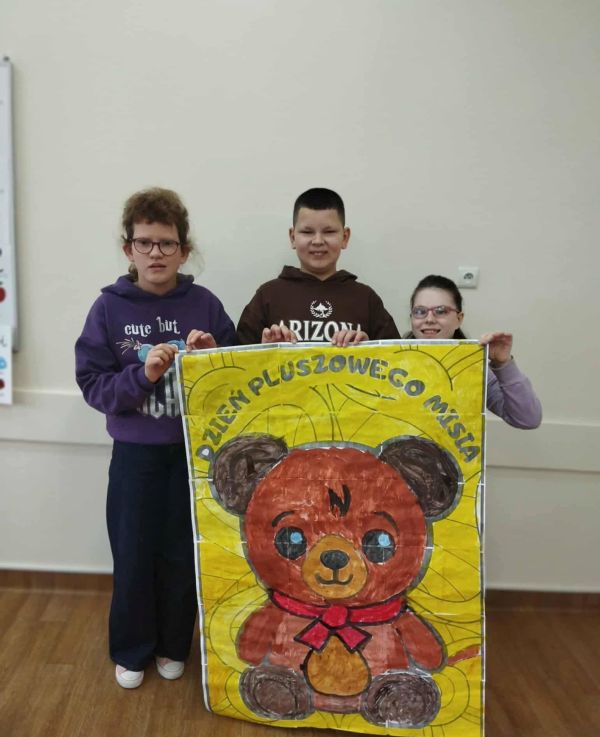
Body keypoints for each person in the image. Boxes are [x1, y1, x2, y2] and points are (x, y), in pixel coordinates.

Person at [75, 187, 237, 689]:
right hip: (135, 457)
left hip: (191, 455)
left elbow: (236, 378)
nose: (156, 253)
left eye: (167, 243)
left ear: (184, 251)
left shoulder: (205, 304)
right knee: (133, 553)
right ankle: (131, 649)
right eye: (144, 243)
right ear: (129, 249)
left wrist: (210, 356)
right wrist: (142, 375)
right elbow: (93, 385)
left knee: (181, 553)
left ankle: (173, 645)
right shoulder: (108, 308)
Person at [237, 187, 400, 347]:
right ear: (292, 237)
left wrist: (370, 349)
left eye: (329, 232)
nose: (318, 241)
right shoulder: (268, 296)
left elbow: (400, 358)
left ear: (345, 237)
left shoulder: (366, 299)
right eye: (307, 232)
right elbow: (235, 358)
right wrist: (265, 350)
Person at [407, 274, 542, 429]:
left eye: (441, 311)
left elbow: (527, 419)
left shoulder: (473, 367)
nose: (429, 319)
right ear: (412, 318)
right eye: (420, 311)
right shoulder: (389, 362)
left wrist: (503, 364)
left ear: (459, 319)